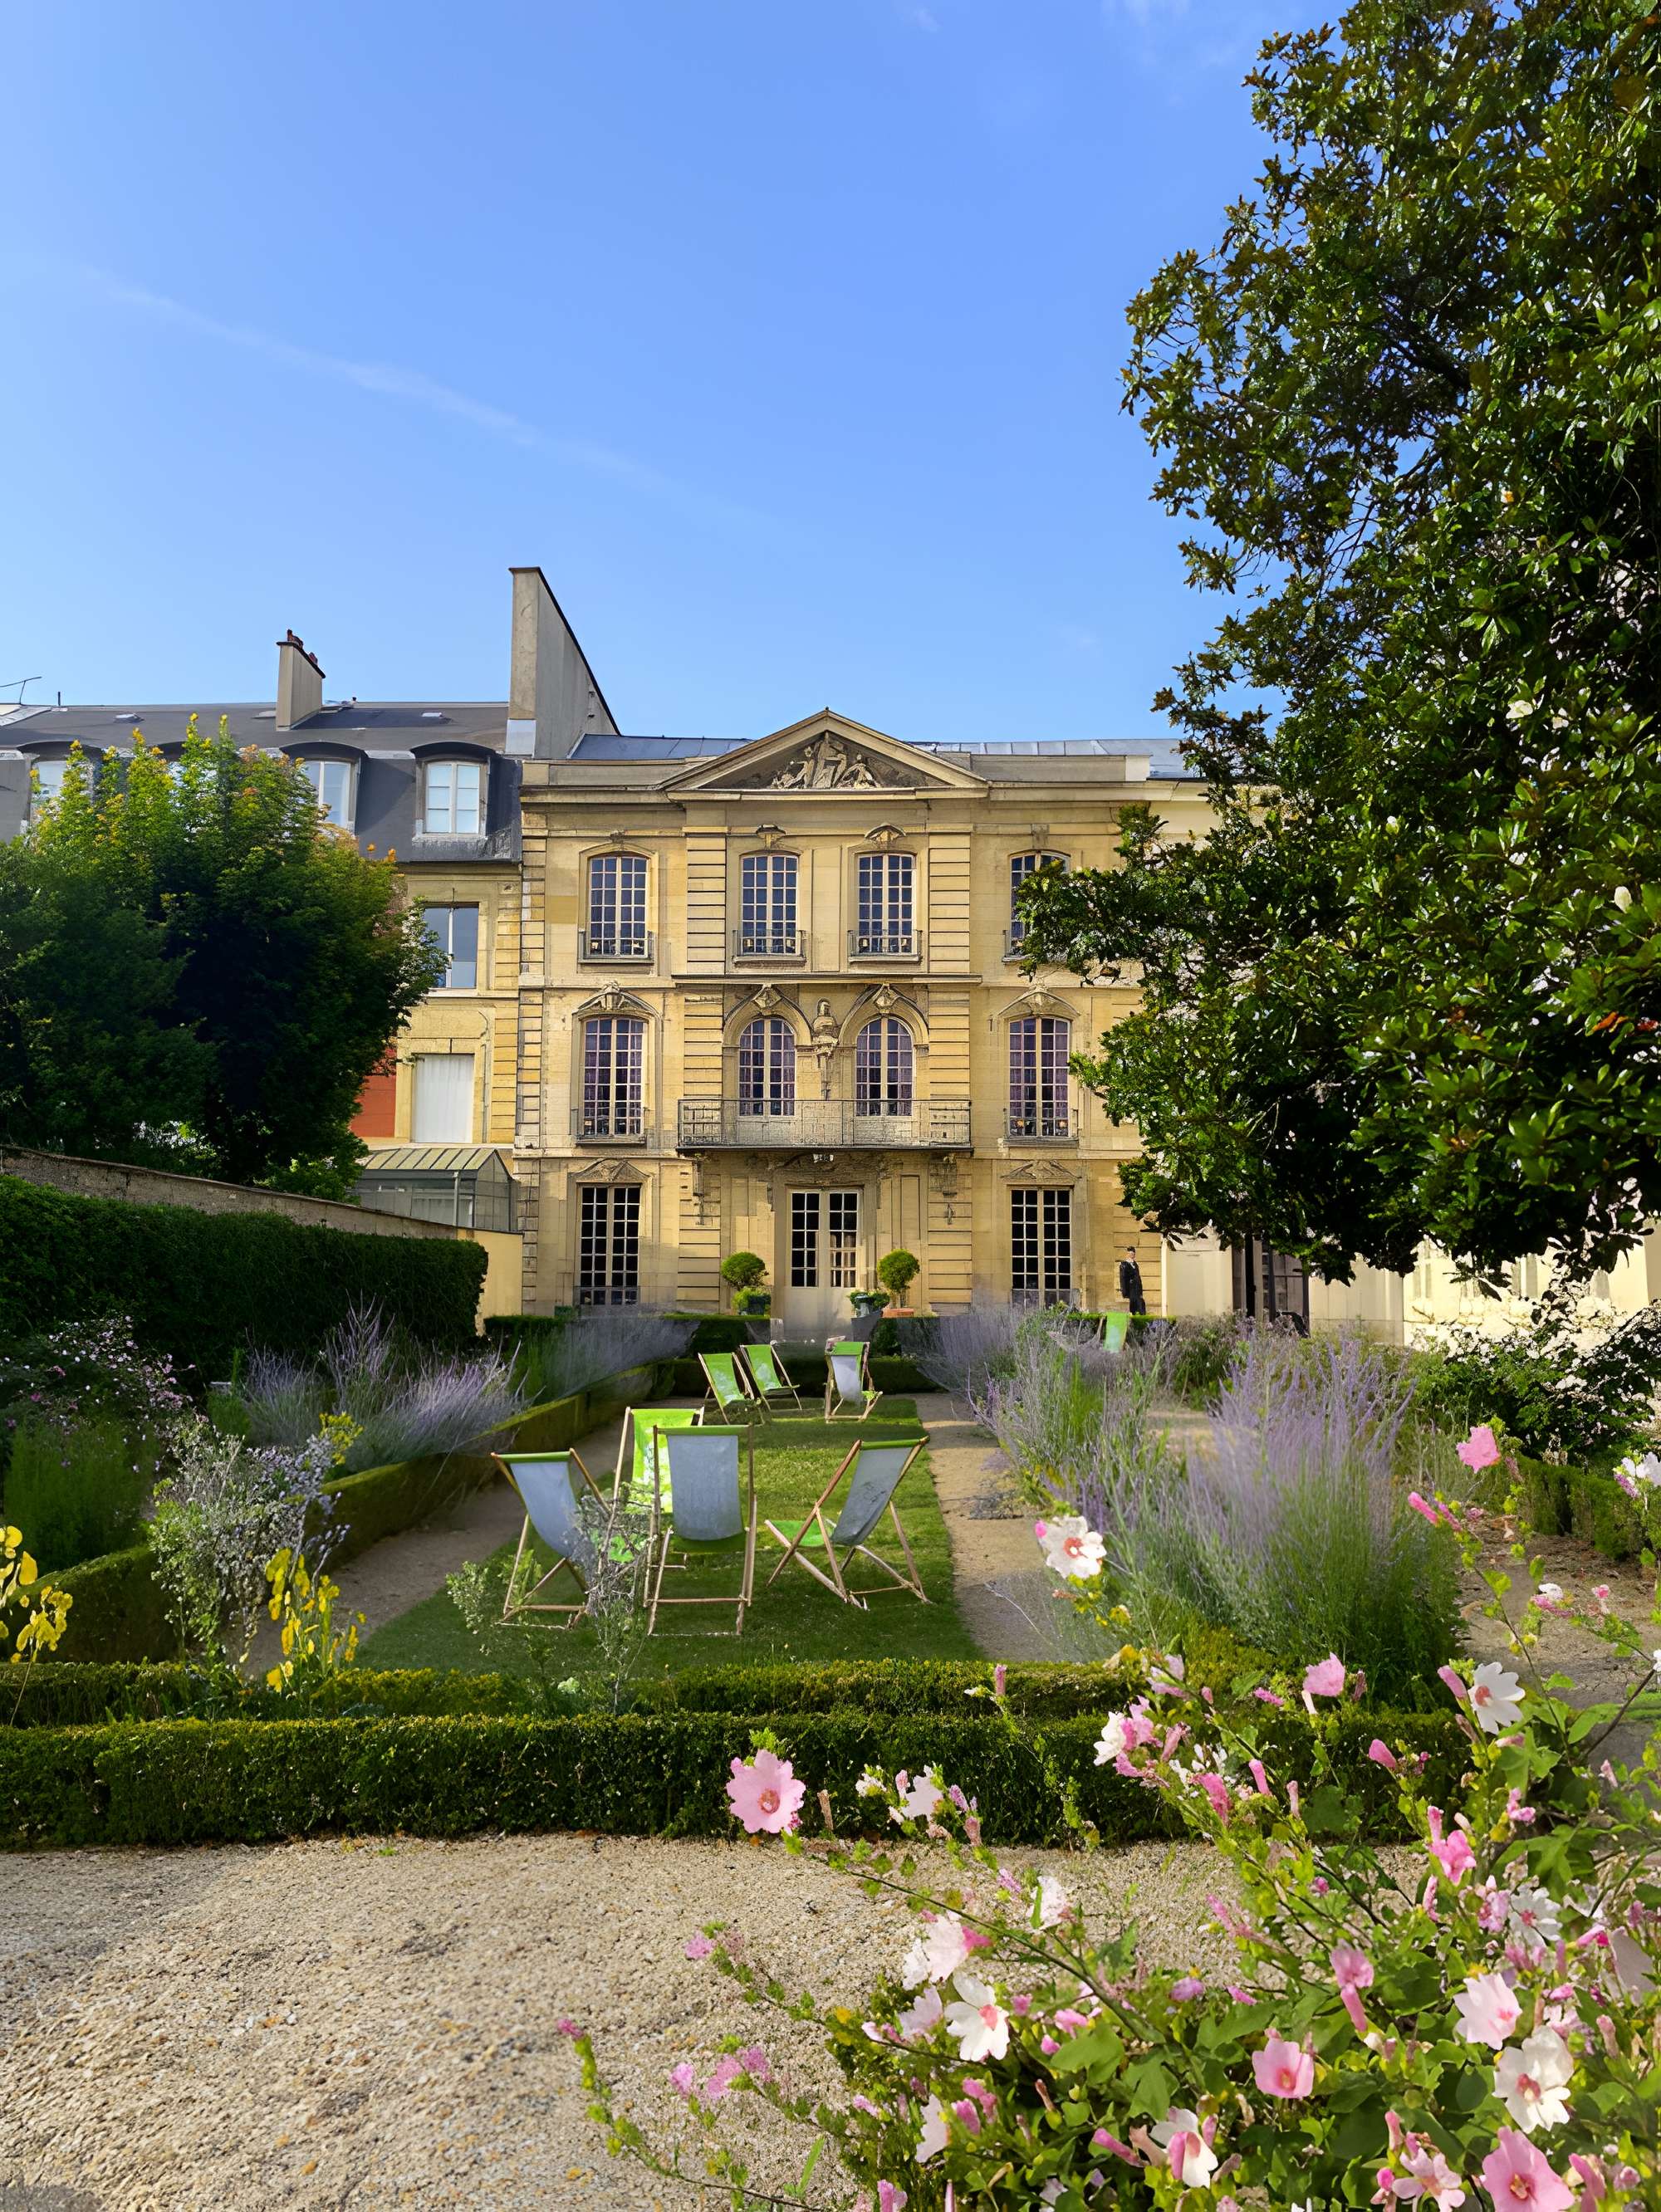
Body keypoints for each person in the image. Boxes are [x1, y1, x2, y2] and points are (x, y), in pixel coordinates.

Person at [1118, 1247, 1147, 1316]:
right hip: (1130, 1289)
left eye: (1133, 1254)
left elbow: (1138, 1277)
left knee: (1140, 1304)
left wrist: (1140, 1289)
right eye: (1130, 1254)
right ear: (1128, 1254)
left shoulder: (1135, 1264)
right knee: (1134, 1304)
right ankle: (1134, 1316)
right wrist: (1124, 1291)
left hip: (1137, 1288)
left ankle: (1139, 1317)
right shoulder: (1124, 1264)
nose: (1132, 1255)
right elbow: (1123, 1278)